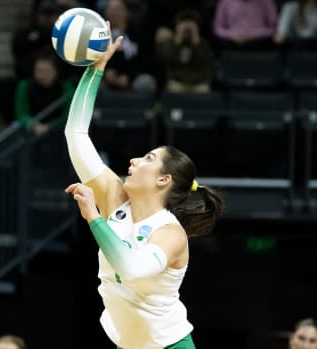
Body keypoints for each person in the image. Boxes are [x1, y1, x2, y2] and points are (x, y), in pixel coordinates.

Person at [63, 26, 224, 349]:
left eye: (148, 158)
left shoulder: (170, 233)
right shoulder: (115, 198)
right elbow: (75, 133)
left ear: (164, 180)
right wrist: (95, 71)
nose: (134, 160)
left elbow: (134, 270)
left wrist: (94, 217)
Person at [14, 51, 73, 137]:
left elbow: (69, 114)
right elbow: (21, 113)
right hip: (32, 131)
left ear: (56, 71)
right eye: (39, 70)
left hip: (60, 133)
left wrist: (50, 126)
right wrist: (33, 124)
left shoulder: (65, 86)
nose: (42, 75)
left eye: (46, 71)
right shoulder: (25, 86)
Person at [155, 9, 214, 93]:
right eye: (183, 23)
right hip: (176, 82)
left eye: (191, 23)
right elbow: (164, 61)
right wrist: (177, 42)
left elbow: (206, 65)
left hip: (198, 82)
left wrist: (196, 43)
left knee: (203, 89)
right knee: (173, 87)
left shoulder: (203, 44)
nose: (187, 27)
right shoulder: (170, 43)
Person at [212, 0, 278, 50]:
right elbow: (217, 28)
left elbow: (274, 27)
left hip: (260, 42)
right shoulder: (225, 2)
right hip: (231, 43)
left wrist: (257, 34)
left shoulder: (266, 2)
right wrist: (231, 35)